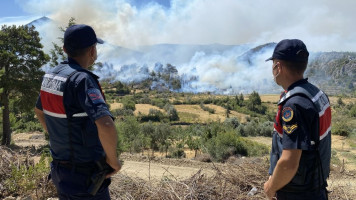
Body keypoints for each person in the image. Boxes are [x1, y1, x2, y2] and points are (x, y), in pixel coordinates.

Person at [34, 24, 121, 199]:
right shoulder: (83, 80)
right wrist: (113, 161)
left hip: (61, 172)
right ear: (92, 51)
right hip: (85, 177)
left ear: (65, 49)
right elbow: (105, 124)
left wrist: (58, 137)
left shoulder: (52, 75)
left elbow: (39, 111)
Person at [263, 39, 331, 200]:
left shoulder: (294, 105)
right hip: (315, 187)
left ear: (278, 67)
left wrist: (271, 187)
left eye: (273, 65)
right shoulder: (316, 94)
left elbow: (289, 162)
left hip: (298, 194)